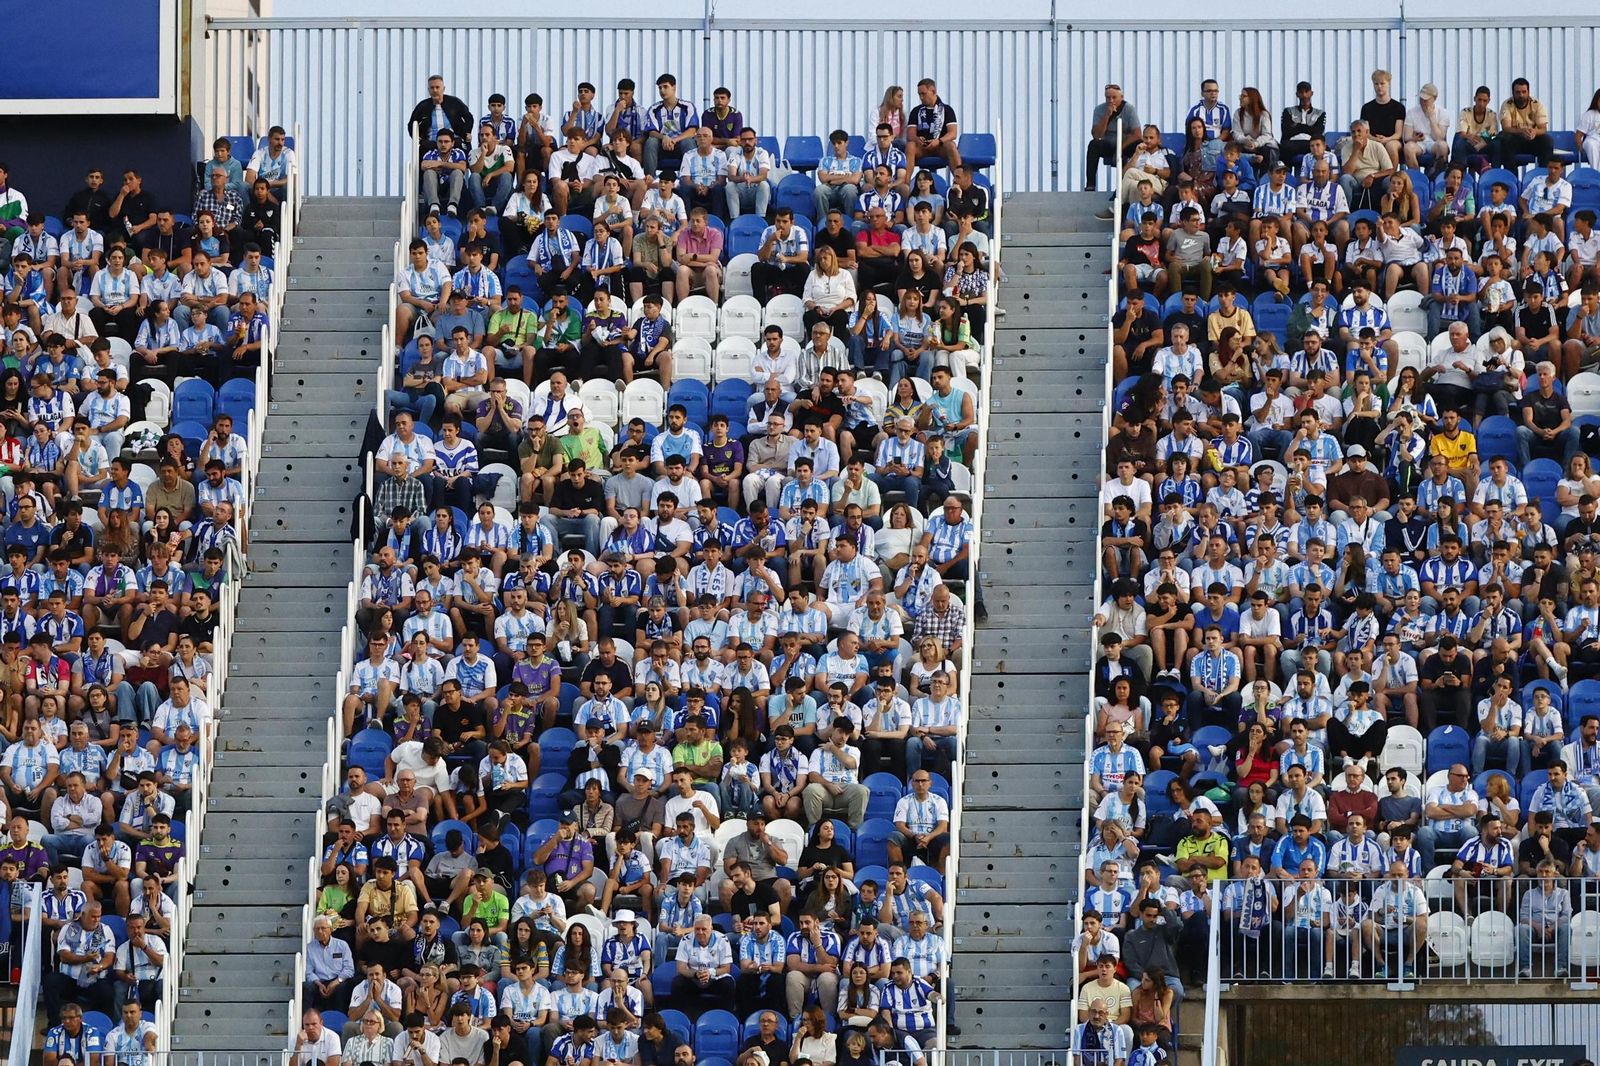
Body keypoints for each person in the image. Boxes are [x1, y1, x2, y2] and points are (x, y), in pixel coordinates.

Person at [1087, 84, 1143, 194]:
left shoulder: (1129, 109)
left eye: (1114, 97)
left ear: (1121, 97)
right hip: (1108, 143)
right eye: (1108, 97)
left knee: (1138, 145)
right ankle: (1090, 184)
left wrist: (1120, 148)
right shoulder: (1099, 110)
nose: (1111, 100)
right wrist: (1107, 116)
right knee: (1093, 145)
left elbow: (1137, 134)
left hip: (1125, 144)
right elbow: (1097, 135)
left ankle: (1124, 185)